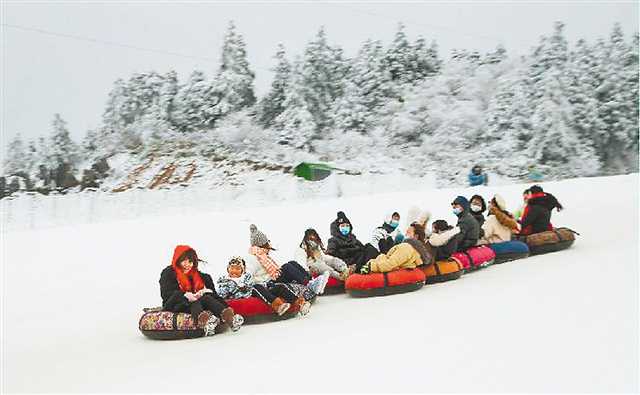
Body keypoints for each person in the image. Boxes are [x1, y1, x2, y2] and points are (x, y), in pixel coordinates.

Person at [160, 245, 244, 336]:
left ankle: (230, 319)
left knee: (206, 298)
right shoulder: (168, 273)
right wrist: (184, 295)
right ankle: (206, 323)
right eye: (184, 261)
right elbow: (166, 295)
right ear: (177, 260)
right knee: (194, 303)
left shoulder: (200, 276)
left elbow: (214, 296)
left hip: (196, 303)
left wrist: (206, 291)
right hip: (175, 303)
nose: (187, 264)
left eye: (190, 261)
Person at [245, 224, 329, 308]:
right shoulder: (253, 258)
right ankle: (308, 283)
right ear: (262, 244)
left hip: (273, 277)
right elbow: (248, 275)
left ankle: (311, 281)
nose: (269, 243)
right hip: (268, 282)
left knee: (292, 263)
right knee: (286, 267)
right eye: (267, 242)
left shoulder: (262, 255)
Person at [217, 257, 307, 317]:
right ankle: (278, 306)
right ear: (228, 269)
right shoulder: (224, 281)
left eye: (237, 268)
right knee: (255, 287)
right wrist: (235, 289)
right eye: (232, 268)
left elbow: (256, 284)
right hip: (244, 295)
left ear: (242, 270)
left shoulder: (246, 277)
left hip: (257, 290)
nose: (234, 271)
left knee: (278, 287)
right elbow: (221, 294)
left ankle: (300, 303)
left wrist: (269, 285)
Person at [360, 223, 433, 274]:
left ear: (415, 236)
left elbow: (391, 263)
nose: (405, 234)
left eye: (408, 232)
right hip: (383, 262)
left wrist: (370, 267)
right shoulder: (413, 248)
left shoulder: (406, 247)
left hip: (385, 267)